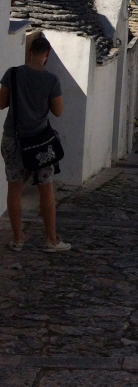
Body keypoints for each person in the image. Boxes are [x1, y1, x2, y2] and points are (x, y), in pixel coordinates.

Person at [0, 35, 71, 252]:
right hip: (40, 143)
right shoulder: (51, 80)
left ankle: (18, 239)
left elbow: (1, 103)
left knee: (14, 188)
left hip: (13, 139)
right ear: (47, 55)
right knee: (46, 189)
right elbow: (58, 112)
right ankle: (51, 240)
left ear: (30, 51)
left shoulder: (12, 74)